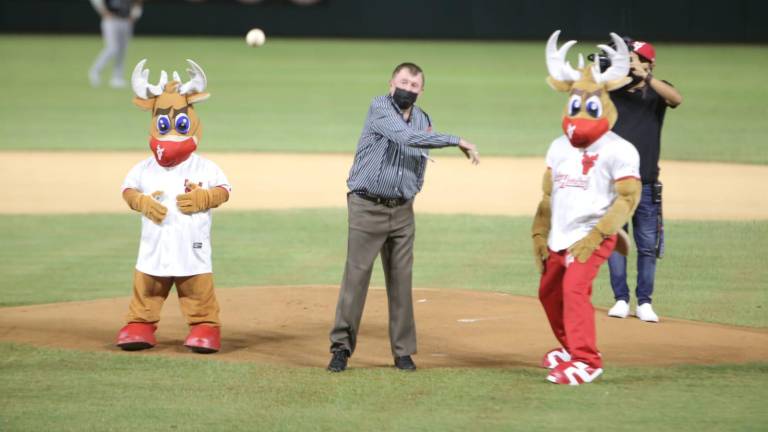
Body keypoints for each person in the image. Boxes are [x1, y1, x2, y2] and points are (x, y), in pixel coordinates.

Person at [327, 62, 480, 372]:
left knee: (401, 282)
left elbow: (420, 159)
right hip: (367, 206)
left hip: (402, 211)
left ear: (421, 91)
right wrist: (456, 140)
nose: (408, 89)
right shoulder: (379, 107)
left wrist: (413, 191)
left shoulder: (423, 119)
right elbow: (406, 139)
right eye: (404, 82)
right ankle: (341, 348)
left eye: (414, 85)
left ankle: (403, 352)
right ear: (391, 82)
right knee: (356, 279)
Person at [533, 31, 641, 385]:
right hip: (561, 235)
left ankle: (586, 360)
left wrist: (597, 235)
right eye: (575, 104)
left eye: (588, 104)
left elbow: (627, 198)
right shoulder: (557, 146)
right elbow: (549, 196)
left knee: (574, 289)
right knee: (548, 292)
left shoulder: (620, 149)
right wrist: (539, 234)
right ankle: (569, 347)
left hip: (594, 232)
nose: (580, 111)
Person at [604, 38, 684, 323]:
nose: (631, 63)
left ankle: (645, 302)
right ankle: (621, 299)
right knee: (615, 240)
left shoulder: (656, 91)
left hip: (647, 182)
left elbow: (677, 99)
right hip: (615, 183)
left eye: (636, 58)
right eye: (628, 58)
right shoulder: (615, 90)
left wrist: (646, 77)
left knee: (647, 245)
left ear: (649, 63)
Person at [88, 0, 143, 88]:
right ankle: (95, 71)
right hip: (111, 20)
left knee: (122, 51)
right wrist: (104, 12)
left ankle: (117, 78)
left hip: (126, 21)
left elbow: (138, 3)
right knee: (112, 48)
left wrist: (135, 15)